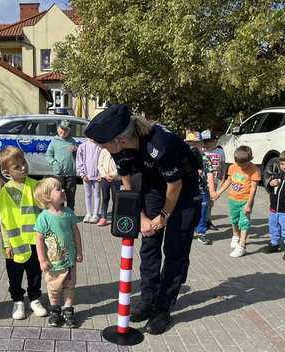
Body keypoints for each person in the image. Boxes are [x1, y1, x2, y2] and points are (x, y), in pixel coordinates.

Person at [84, 104, 201, 335]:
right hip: (153, 188)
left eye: (101, 145)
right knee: (149, 244)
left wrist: (164, 217)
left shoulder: (161, 145)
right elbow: (127, 182)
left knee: (175, 251)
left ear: (119, 139)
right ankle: (148, 299)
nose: (99, 148)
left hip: (183, 192)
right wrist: (143, 217)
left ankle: (163, 309)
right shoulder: (119, 149)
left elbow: (175, 185)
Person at [0, 146, 48, 320]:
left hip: (35, 241)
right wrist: (6, 243)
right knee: (15, 275)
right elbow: (4, 221)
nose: (23, 167)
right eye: (17, 166)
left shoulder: (36, 186)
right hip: (15, 243)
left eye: (23, 162)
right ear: (6, 171)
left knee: (35, 273)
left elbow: (44, 213)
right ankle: (17, 300)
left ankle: (34, 298)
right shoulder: (4, 192)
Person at [34, 177, 83, 328]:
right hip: (53, 263)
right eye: (58, 189)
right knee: (54, 287)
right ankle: (55, 310)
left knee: (69, 285)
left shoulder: (68, 213)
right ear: (47, 197)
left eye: (62, 188)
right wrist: (42, 260)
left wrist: (79, 251)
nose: (62, 191)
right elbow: (39, 240)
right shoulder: (44, 217)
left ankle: (68, 310)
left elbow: (76, 233)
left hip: (69, 260)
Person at [213, 145, 261, 257]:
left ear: (251, 159)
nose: (241, 167)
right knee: (234, 220)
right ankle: (235, 235)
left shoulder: (255, 171)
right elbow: (229, 181)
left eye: (243, 164)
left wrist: (249, 205)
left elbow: (253, 189)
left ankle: (242, 245)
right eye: (239, 164)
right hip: (233, 199)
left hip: (245, 200)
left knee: (244, 222)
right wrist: (218, 193)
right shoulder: (233, 167)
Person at [185, 131, 216, 245]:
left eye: (195, 143)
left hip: (202, 190)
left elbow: (210, 174)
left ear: (201, 144)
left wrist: (212, 190)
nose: (192, 146)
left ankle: (201, 233)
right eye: (190, 143)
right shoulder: (182, 157)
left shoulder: (205, 159)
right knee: (187, 211)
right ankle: (186, 232)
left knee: (202, 211)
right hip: (186, 191)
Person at [45, 119, 78, 210]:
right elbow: (48, 155)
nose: (63, 131)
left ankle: (70, 213)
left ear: (70, 131)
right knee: (59, 195)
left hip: (70, 173)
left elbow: (78, 156)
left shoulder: (72, 141)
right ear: (58, 128)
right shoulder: (54, 142)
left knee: (71, 195)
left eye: (66, 130)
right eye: (61, 129)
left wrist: (76, 150)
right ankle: (60, 212)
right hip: (58, 174)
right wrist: (54, 163)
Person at [202, 131, 226, 230]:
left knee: (211, 202)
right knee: (203, 202)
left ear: (214, 140)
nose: (207, 143)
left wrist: (223, 178)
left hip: (215, 180)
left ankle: (208, 220)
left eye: (209, 141)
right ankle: (200, 221)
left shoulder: (220, 151)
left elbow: (223, 164)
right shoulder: (202, 151)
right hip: (203, 181)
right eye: (205, 141)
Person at [76, 138, 102, 223]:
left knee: (97, 194)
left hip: (97, 176)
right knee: (88, 194)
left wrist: (101, 173)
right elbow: (79, 160)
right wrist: (82, 173)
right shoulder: (83, 146)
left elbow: (102, 160)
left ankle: (95, 214)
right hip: (86, 175)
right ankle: (88, 213)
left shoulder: (100, 146)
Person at [97, 148, 121, 226]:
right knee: (105, 198)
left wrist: (113, 175)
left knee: (115, 199)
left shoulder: (119, 151)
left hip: (116, 179)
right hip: (105, 178)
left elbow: (120, 165)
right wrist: (105, 175)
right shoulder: (104, 151)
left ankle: (115, 218)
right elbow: (100, 165)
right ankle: (103, 217)